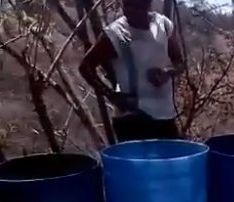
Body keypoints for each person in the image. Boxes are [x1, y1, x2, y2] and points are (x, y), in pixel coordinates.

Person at [79, 0, 184, 142]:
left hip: (165, 113)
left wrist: (166, 73)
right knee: (141, 164)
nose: (131, 10)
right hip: (133, 117)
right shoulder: (115, 34)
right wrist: (111, 95)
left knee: (173, 160)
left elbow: (179, 63)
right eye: (127, 5)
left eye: (138, 5)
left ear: (148, 5)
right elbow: (85, 67)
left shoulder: (163, 25)